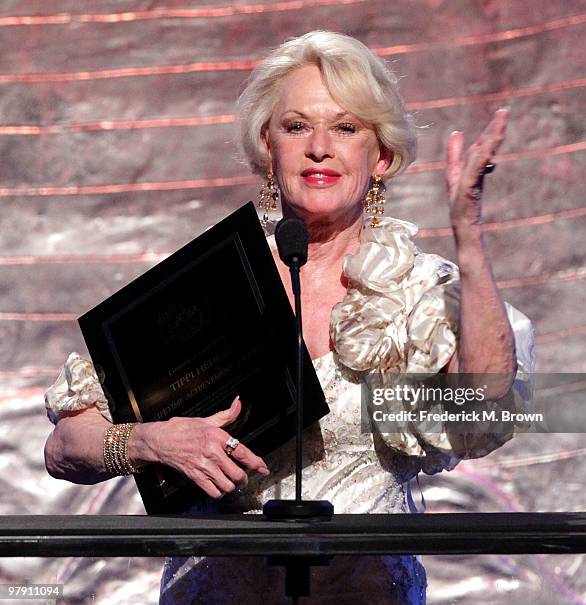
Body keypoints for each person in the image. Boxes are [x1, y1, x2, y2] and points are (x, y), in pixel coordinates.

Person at [44, 31, 534, 604]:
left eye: (346, 128)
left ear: (380, 156)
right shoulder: (209, 285)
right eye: (297, 126)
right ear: (267, 147)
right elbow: (63, 447)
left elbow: (484, 410)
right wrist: (147, 442)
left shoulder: (419, 293)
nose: (319, 147)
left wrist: (469, 239)